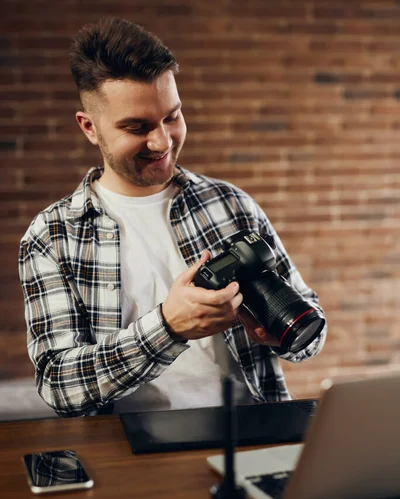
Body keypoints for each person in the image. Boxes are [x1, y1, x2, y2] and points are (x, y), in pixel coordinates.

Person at [18, 17, 326, 417]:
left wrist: (279, 335)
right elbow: (61, 387)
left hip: (251, 432)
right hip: (128, 453)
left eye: (172, 117)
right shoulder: (52, 236)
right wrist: (168, 327)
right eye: (137, 126)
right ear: (90, 127)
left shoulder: (231, 205)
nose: (162, 141)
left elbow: (310, 332)